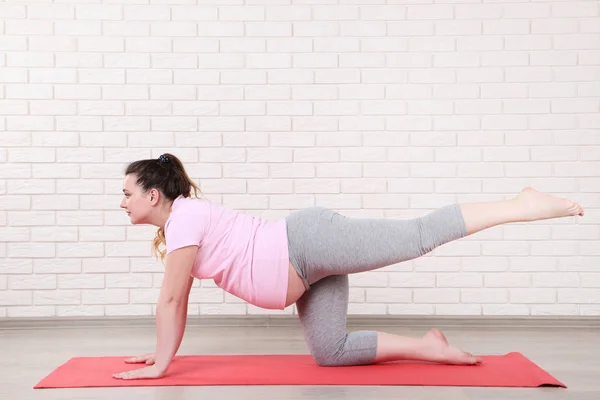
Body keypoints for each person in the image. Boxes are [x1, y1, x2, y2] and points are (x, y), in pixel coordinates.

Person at [113, 153, 584, 380]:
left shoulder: (185, 218)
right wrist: (160, 354)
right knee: (331, 351)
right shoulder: (183, 224)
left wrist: (161, 366)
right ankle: (428, 347)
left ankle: (520, 204)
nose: (123, 203)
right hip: (307, 270)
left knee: (417, 237)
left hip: (308, 245)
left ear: (153, 194)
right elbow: (176, 299)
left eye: (128, 193)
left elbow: (173, 298)